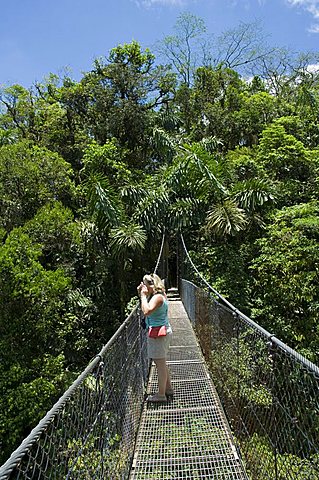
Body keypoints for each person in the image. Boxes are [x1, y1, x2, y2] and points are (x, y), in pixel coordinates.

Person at [137, 273, 173, 403]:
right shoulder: (158, 295)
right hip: (160, 333)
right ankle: (168, 389)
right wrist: (142, 295)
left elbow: (146, 311)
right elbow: (146, 307)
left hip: (159, 335)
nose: (143, 287)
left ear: (151, 285)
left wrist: (142, 295)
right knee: (161, 363)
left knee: (160, 365)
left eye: (144, 284)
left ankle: (161, 395)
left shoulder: (157, 298)